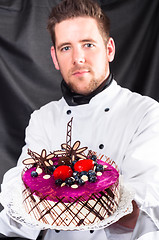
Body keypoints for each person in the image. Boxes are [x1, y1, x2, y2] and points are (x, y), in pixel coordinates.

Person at [0, 0, 159, 239]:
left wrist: (59, 198)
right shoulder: (43, 118)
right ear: (54, 57)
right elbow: (23, 190)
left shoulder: (145, 112)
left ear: (109, 49)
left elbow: (141, 207)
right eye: (66, 48)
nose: (78, 58)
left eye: (88, 44)